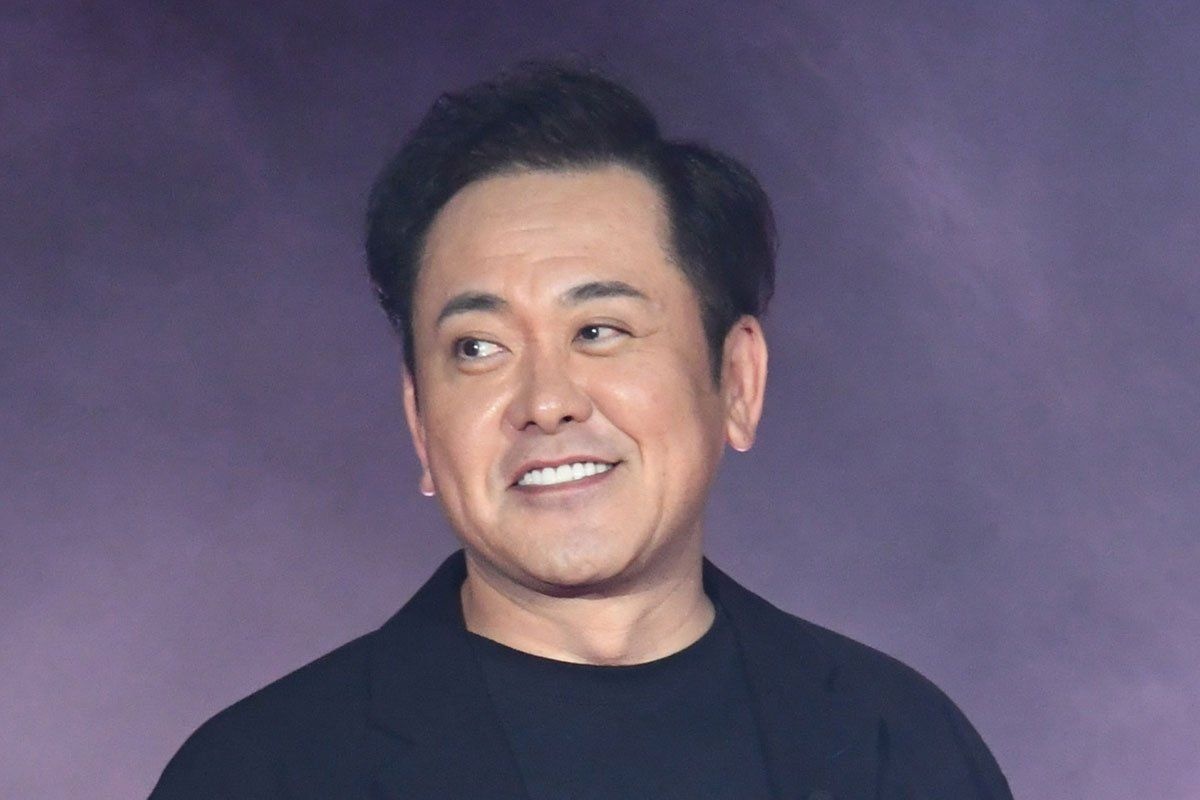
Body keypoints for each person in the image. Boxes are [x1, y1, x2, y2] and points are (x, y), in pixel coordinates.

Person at [150, 63, 1013, 800]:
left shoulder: (900, 749)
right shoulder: (261, 773)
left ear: (737, 382)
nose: (547, 401)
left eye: (599, 330)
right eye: (478, 347)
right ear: (420, 424)